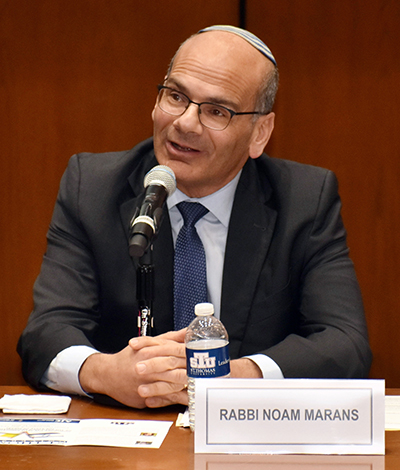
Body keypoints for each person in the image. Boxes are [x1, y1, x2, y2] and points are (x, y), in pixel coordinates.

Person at [17, 25, 372, 409]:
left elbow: (344, 341)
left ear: (259, 133)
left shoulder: (304, 200)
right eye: (176, 96)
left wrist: (226, 377)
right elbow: (45, 333)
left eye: (216, 111)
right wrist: (106, 372)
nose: (185, 123)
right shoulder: (94, 188)